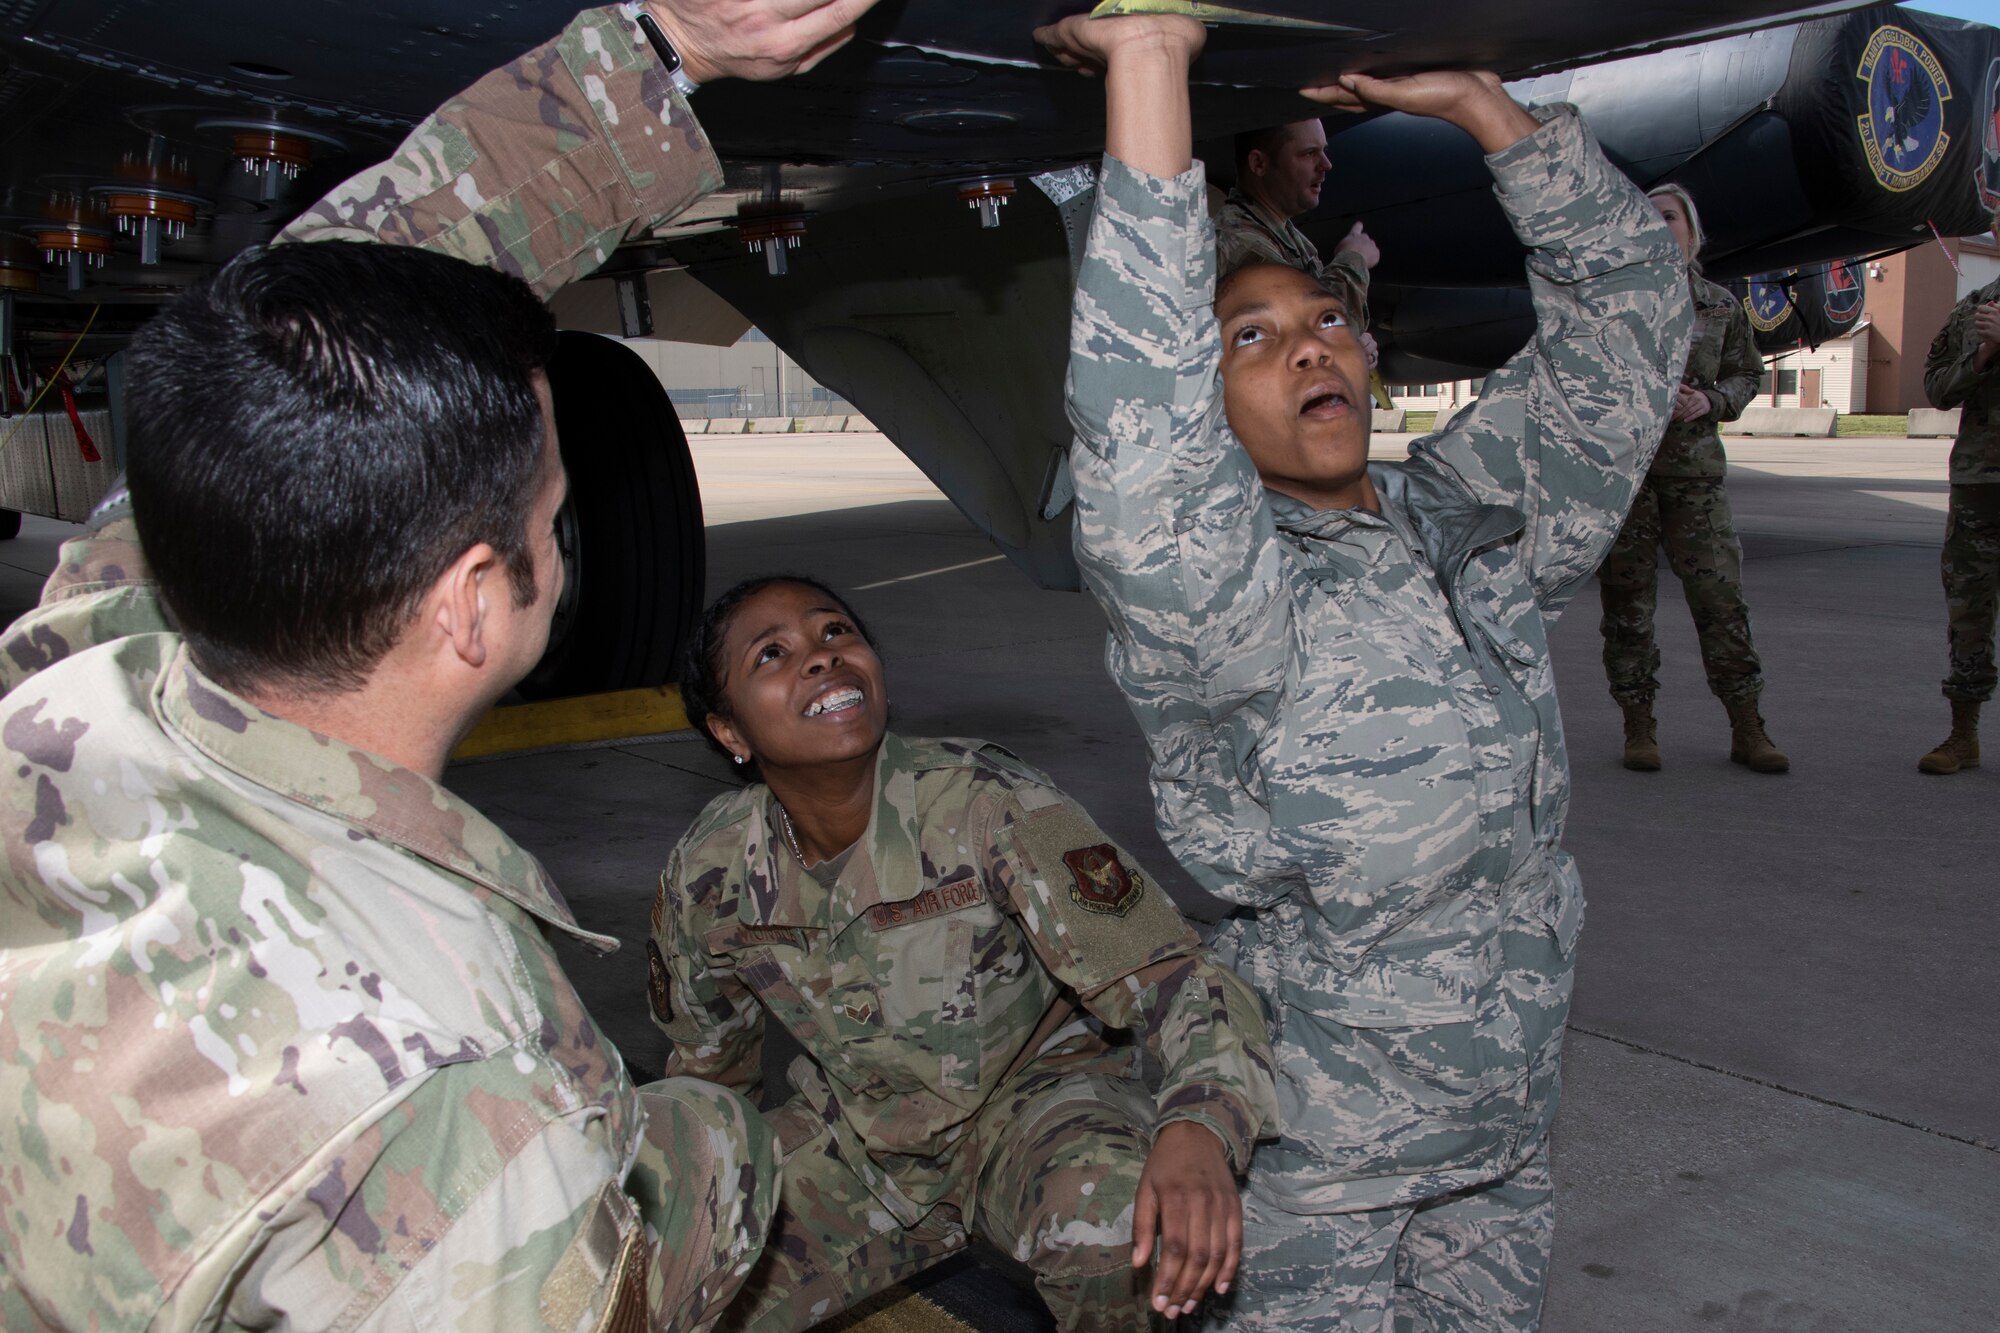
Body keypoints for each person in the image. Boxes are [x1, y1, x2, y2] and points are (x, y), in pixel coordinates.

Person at [0, 2, 880, 1325]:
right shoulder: (461, 1107)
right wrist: (699, 1150)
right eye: (550, 517)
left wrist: (661, 49)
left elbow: (324, 306)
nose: (563, 541)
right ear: (476, 604)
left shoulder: (74, 682)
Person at [1043, 12, 1690, 1330]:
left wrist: (1485, 108)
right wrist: (1150, 65)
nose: (1307, 345)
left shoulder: (1468, 519)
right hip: (1322, 1167)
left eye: (1325, 318)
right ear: (1211, 407)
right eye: (1252, 339)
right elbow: (1139, 420)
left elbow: (1627, 324)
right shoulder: (1224, 597)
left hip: (1502, 1144)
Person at [651, 575, 1280, 1330]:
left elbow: (1174, 977)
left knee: (1110, 1224)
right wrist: (709, 1208)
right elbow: (709, 1080)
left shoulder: (989, 804)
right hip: (861, 1143)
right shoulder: (710, 872)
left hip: (1036, 1109)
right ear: (730, 732)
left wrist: (1201, 1125)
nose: (822, 659)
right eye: (773, 654)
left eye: (836, 632)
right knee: (670, 1274)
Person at [1595, 184, 1787, 773]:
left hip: (1695, 481)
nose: (1660, 223)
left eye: (1670, 215)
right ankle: (1639, 726)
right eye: (1648, 217)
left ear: (1692, 231)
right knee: (1628, 609)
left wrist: (1710, 401)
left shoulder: (1721, 306)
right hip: (1629, 480)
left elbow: (1747, 375)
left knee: (1720, 602)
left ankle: (1747, 726)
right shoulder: (1613, 304)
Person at [1917, 240, 2000, 775]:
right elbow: (1936, 388)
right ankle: (1962, 735)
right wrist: (1983, 355)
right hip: (1979, 485)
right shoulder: (1975, 308)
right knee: (1968, 613)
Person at [1217, 120, 1381, 367]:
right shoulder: (1240, 243)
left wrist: (1355, 348)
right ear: (1258, 164)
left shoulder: (1288, 237)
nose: (1326, 165)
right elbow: (1313, 335)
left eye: (1324, 151)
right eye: (1308, 154)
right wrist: (1353, 258)